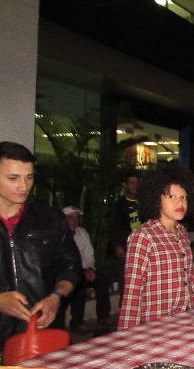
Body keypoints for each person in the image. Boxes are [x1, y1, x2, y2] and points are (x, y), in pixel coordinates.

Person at [0, 141, 82, 350]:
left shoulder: (51, 218)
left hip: (42, 333)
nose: (23, 186)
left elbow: (70, 267)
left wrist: (56, 297)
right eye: (13, 178)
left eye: (29, 178)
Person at [117, 165, 194, 330]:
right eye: (171, 196)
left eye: (184, 197)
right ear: (156, 199)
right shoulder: (143, 236)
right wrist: (126, 337)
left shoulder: (182, 233)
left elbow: (192, 281)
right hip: (154, 327)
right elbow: (133, 291)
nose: (180, 202)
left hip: (184, 323)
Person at [62, 206, 113, 334]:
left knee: (103, 280)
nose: (74, 221)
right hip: (68, 273)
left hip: (85, 269)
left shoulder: (82, 232)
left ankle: (103, 318)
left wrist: (89, 269)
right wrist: (81, 272)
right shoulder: (59, 235)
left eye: (76, 218)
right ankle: (77, 322)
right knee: (80, 284)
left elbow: (89, 254)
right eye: (70, 217)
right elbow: (64, 260)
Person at [108, 171, 141, 300]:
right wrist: (117, 245)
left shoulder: (143, 202)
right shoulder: (119, 205)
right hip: (126, 246)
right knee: (126, 279)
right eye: (131, 183)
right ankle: (125, 308)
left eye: (136, 183)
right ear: (125, 185)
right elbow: (113, 226)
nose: (134, 186)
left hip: (142, 246)